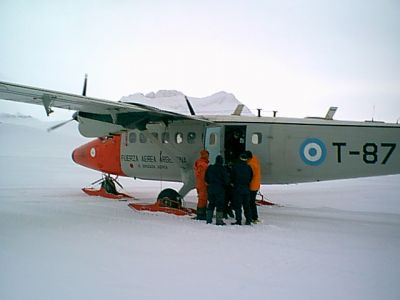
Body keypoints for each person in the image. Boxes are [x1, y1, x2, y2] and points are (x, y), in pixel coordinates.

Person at [205, 155, 230, 225]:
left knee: (211, 203)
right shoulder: (223, 169)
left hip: (211, 188)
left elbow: (206, 178)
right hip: (220, 189)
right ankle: (219, 221)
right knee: (219, 204)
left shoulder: (210, 168)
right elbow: (227, 180)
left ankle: (208, 220)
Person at [231, 153, 253, 225]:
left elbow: (232, 177)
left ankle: (238, 220)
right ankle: (248, 220)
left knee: (238, 206)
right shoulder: (249, 167)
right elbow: (251, 177)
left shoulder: (235, 167)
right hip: (246, 188)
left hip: (238, 188)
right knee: (247, 206)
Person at [245, 150, 261, 223]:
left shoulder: (251, 165)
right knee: (252, 202)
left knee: (250, 202)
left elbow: (250, 176)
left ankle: (254, 217)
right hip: (256, 185)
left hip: (252, 186)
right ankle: (254, 217)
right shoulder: (255, 160)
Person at [193, 149, 209, 220]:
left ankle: (200, 213)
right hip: (203, 184)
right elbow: (203, 176)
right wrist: (207, 182)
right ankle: (201, 214)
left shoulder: (199, 163)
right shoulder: (203, 165)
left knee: (201, 199)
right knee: (203, 199)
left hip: (199, 184)